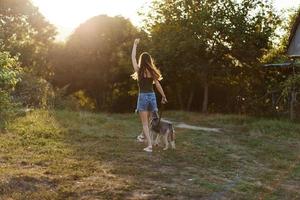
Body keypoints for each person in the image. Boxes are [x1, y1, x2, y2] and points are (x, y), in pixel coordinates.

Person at [131, 38, 167, 152]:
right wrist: (163, 96)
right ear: (149, 60)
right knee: (150, 120)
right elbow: (157, 84)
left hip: (143, 97)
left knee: (145, 123)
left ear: (141, 60)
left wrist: (135, 44)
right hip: (152, 96)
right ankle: (142, 137)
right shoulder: (151, 71)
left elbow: (132, 57)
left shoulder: (139, 70)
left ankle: (150, 145)